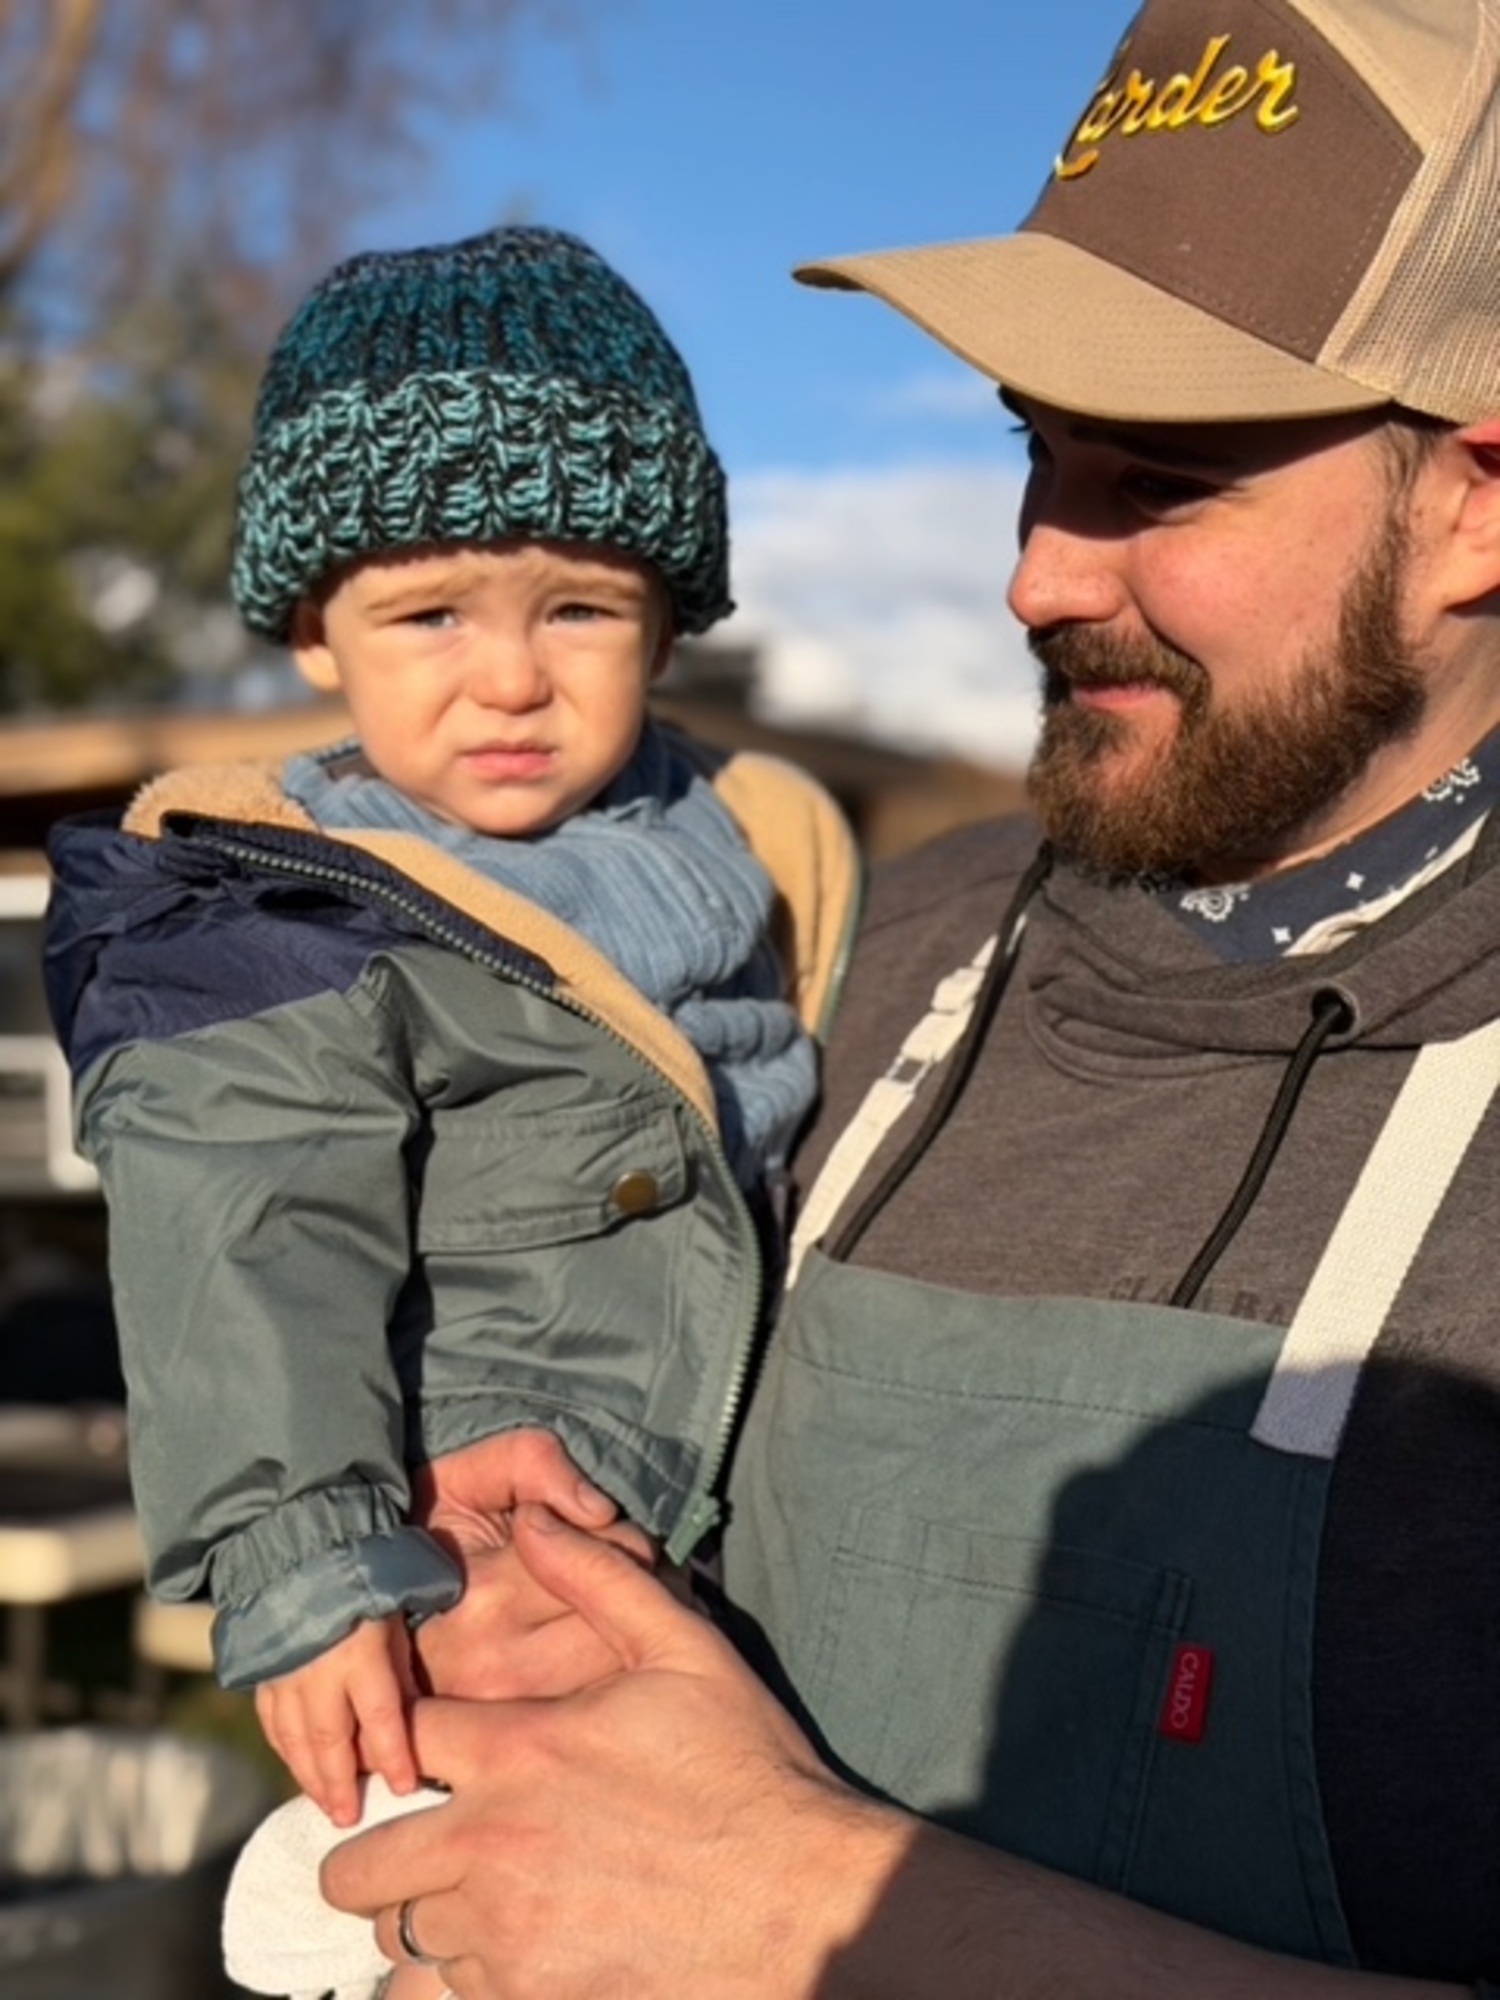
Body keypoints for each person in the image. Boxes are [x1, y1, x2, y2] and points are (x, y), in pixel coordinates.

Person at [313, 0, 1500, 1992]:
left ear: (1474, 502)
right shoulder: (862, 947)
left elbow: (734, 1882)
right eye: (1040, 452)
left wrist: (797, 1910)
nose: (1037, 572)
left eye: (1162, 477)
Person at [43, 224, 858, 1861]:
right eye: (428, 617)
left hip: (728, 1492)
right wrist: (315, 1563)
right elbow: (247, 1231)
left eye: (579, 609)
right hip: (458, 1527)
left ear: (671, 623)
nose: (510, 680)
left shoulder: (753, 836)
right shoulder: (274, 908)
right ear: (313, 636)